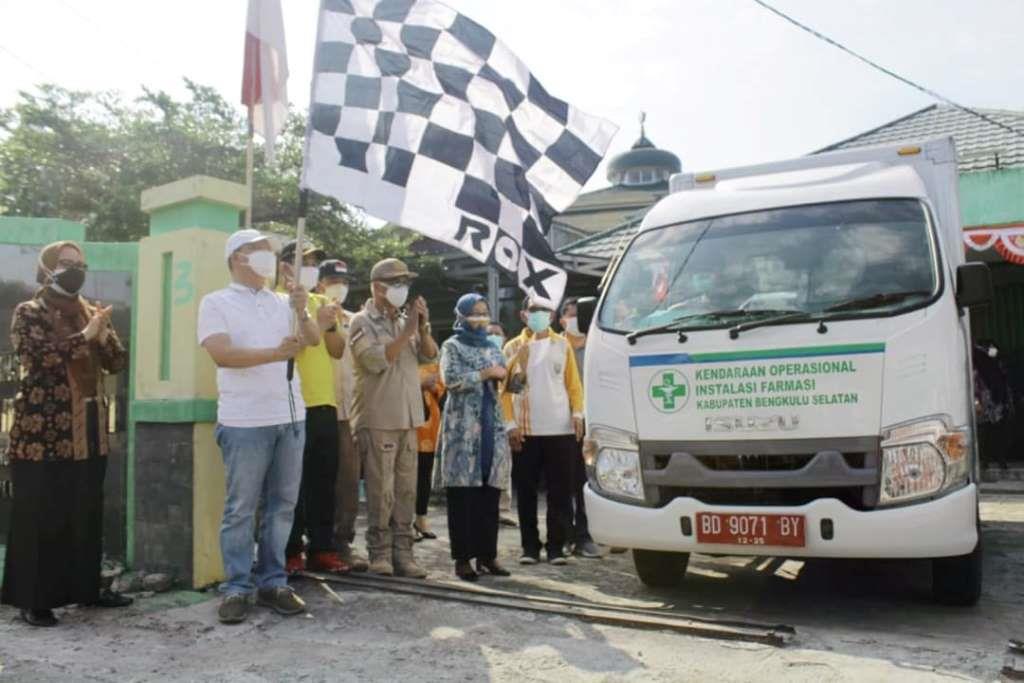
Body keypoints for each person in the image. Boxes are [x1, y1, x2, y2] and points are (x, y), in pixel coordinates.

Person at [1, 241, 132, 627]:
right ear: (46, 268)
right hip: (43, 432)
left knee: (85, 511)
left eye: (80, 263)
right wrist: (85, 336)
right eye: (65, 263)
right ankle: (35, 600)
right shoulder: (29, 311)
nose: (75, 269)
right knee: (42, 513)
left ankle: (87, 589)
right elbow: (37, 358)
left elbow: (117, 362)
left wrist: (103, 335)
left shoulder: (91, 312)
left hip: (89, 430)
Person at [198, 229, 320, 624]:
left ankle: (273, 582)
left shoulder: (284, 301)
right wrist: (274, 354)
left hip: (290, 416)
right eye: (260, 251)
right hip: (244, 421)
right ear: (238, 257)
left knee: (282, 507)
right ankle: (236, 586)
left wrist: (302, 309)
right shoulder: (216, 302)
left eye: (270, 251)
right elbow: (222, 354)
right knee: (241, 508)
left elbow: (313, 340)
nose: (269, 258)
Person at [348, 258, 438, 577]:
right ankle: (380, 552)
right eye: (396, 283)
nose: (403, 289)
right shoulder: (361, 321)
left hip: (408, 418)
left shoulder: (405, 321)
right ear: (377, 287)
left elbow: (430, 354)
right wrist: (408, 331)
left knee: (406, 490)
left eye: (405, 283)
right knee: (380, 490)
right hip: (378, 417)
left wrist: (421, 327)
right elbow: (374, 361)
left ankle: (404, 552)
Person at [277, 241, 350, 575]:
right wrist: (317, 324)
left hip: (324, 403)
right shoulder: (276, 302)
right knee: (291, 483)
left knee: (323, 481)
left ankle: (322, 548)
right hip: (292, 403)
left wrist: (329, 324)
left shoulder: (321, 301)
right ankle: (290, 550)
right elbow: (293, 346)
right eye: (303, 261)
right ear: (284, 266)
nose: (309, 268)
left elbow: (336, 349)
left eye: (313, 263)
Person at [502, 297, 584, 566]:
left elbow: (573, 385)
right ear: (523, 314)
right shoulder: (512, 347)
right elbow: (508, 391)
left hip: (560, 428)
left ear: (551, 315)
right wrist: (510, 425)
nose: (539, 314)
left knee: (560, 492)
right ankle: (529, 546)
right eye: (534, 310)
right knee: (526, 493)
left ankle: (556, 547)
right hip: (526, 430)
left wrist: (577, 414)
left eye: (544, 310)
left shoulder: (562, 345)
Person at [437, 294, 513, 581]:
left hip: (492, 428)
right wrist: (485, 373)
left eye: (484, 312)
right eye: (475, 313)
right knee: (463, 496)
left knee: (489, 495)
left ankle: (487, 555)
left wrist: (514, 375)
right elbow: (451, 380)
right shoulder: (452, 346)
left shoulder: (493, 347)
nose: (480, 318)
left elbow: (506, 382)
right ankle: (462, 559)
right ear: (462, 315)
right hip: (464, 430)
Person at [318, 259, 369, 572]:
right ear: (319, 283)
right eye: (333, 280)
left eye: (344, 280)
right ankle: (311, 543)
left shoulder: (354, 321)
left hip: (349, 411)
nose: (340, 286)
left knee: (348, 481)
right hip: (316, 409)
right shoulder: (310, 315)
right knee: (315, 481)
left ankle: (342, 542)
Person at [559, 298, 601, 560]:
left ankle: (585, 536)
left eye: (578, 315)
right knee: (563, 482)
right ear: (561, 319)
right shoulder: (556, 345)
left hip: (590, 423)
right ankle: (565, 535)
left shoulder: (597, 346)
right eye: (570, 315)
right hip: (560, 423)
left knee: (586, 481)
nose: (574, 320)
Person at [486, 321, 518, 529]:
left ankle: (503, 510)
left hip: (505, 418)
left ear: (505, 338)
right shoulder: (479, 356)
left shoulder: (508, 358)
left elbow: (516, 388)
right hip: (484, 419)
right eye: (490, 333)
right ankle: (486, 509)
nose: (494, 337)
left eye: (498, 334)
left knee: (504, 464)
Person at [414, 361, 445, 541]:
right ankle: (404, 521)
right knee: (405, 477)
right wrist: (419, 385)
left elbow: (444, 397)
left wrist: (433, 387)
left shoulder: (434, 365)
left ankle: (421, 517)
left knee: (424, 475)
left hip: (429, 430)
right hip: (408, 426)